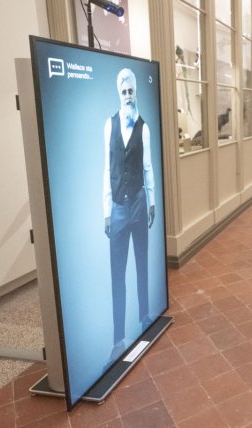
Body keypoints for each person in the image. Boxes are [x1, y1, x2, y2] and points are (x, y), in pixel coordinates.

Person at [103, 68, 156, 360]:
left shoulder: (143, 128)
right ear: (118, 93)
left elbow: (148, 167)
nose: (127, 96)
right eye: (123, 91)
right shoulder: (109, 125)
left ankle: (145, 317)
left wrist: (152, 202)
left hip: (138, 201)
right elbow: (106, 169)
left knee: (142, 263)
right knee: (117, 273)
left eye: (131, 91)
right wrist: (106, 212)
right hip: (118, 208)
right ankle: (118, 340)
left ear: (136, 92)